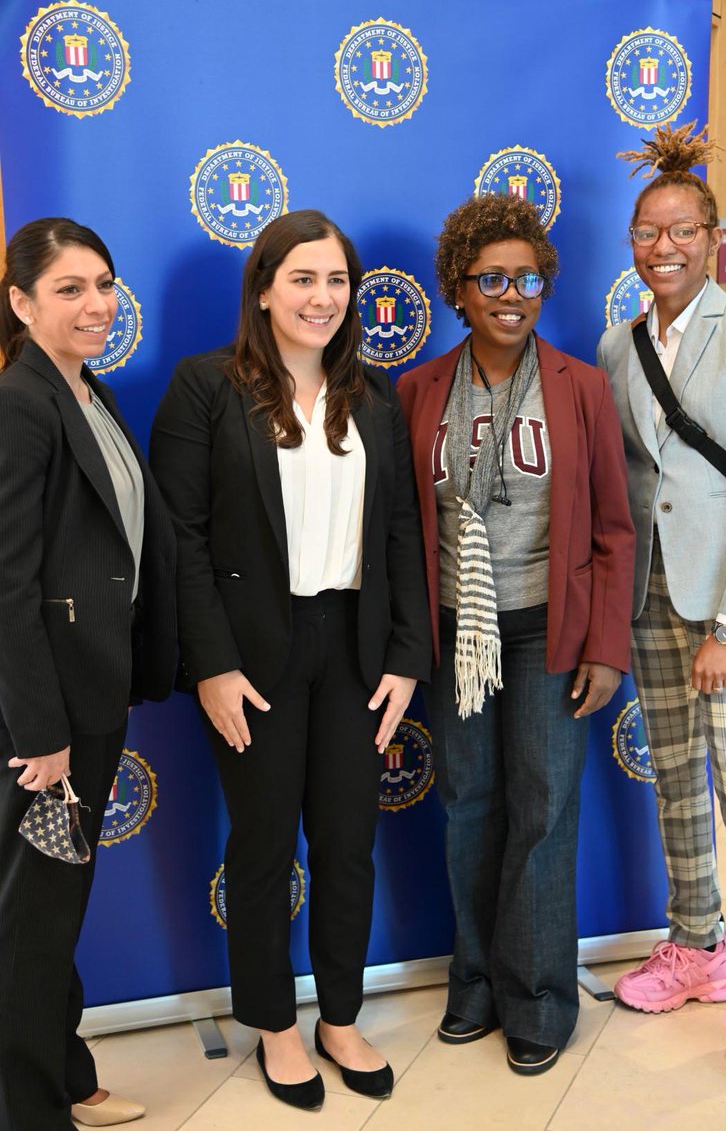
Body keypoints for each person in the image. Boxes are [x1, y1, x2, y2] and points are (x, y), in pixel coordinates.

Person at [150, 209, 430, 1112]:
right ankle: (274, 1024)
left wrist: (406, 655)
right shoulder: (204, 389)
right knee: (266, 847)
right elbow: (181, 541)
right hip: (253, 655)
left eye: (338, 281)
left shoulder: (376, 397)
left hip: (355, 649)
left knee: (350, 845)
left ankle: (339, 1017)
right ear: (264, 288)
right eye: (303, 279)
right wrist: (212, 666)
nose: (322, 297)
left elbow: (399, 534)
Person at [396, 193, 635, 1075]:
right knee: (467, 808)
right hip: (459, 635)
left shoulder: (582, 388)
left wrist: (607, 646)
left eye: (527, 278)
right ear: (459, 288)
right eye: (491, 277)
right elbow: (397, 531)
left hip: (550, 634)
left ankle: (538, 998)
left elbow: (615, 527)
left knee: (543, 813)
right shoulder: (416, 390)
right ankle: (475, 985)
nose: (511, 292)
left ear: (544, 286)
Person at [597, 122, 726, 1085]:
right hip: (650, 600)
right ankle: (697, 947)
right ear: (632, 242)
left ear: (714, 241)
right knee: (677, 782)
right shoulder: (616, 344)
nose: (664, 246)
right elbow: (631, 483)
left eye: (683, 230)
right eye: (648, 230)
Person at [0, 218, 177, 1130]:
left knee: (55, 908)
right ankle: (30, 1108)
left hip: (91, 694)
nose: (97, 304)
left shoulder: (84, 389)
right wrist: (40, 735)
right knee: (33, 922)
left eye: (103, 283)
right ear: (22, 302)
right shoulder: (21, 401)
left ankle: (65, 1075)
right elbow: (9, 583)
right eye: (69, 289)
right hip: (46, 722)